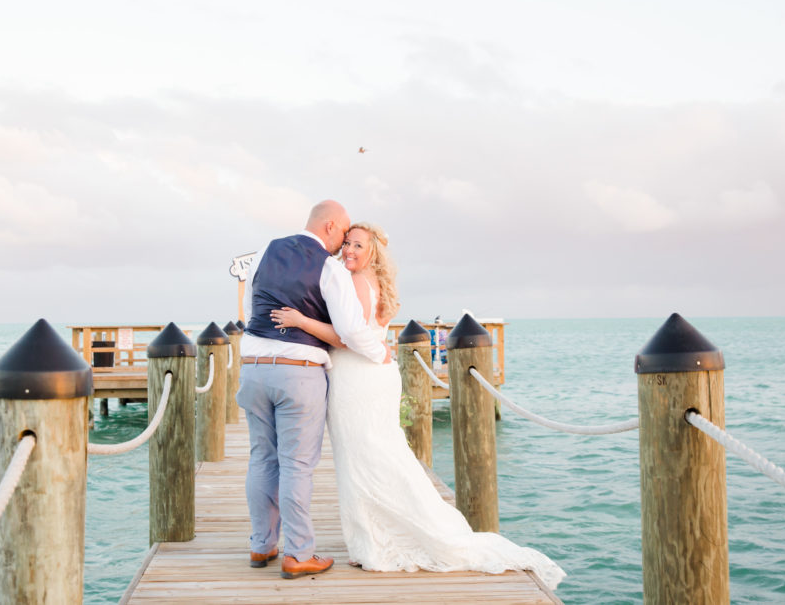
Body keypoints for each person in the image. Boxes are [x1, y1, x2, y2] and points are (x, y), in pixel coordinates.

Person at [270, 223, 565, 590]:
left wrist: (301, 321)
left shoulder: (356, 283)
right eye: (346, 243)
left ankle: (374, 544)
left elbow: (348, 338)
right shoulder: (376, 283)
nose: (349, 250)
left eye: (358, 245)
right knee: (380, 455)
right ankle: (373, 539)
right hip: (375, 377)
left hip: (359, 377)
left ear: (373, 251)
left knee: (362, 459)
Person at [237, 200, 389, 579]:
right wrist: (379, 353)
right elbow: (353, 331)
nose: (342, 246)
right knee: (296, 465)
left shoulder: (266, 249)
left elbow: (249, 305)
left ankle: (262, 545)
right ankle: (299, 553)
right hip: (298, 372)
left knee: (261, 458)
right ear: (331, 226)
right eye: (343, 234)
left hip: (253, 368)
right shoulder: (328, 266)